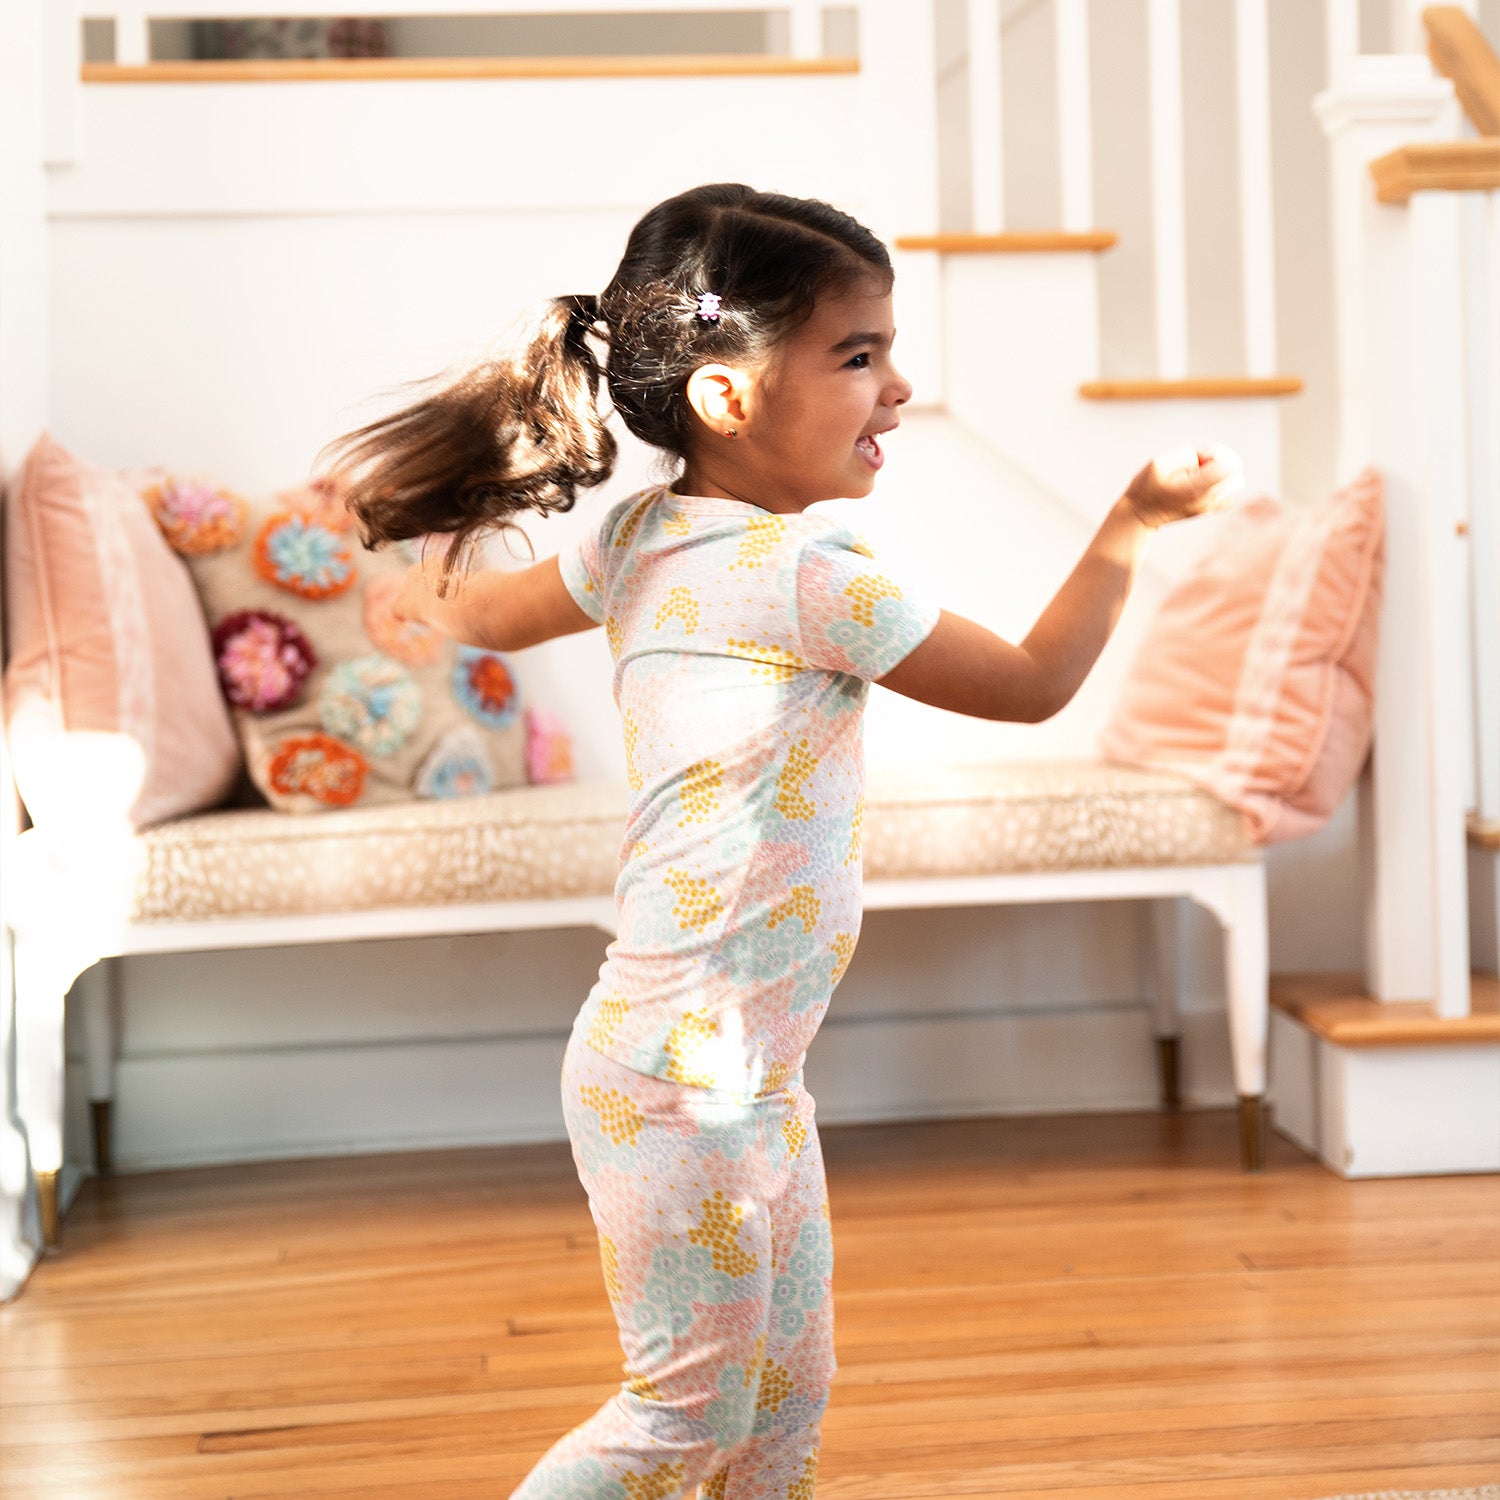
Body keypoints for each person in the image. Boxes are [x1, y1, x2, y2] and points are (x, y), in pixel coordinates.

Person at [325, 182, 1243, 1500]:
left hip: (739, 1078)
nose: (898, 387)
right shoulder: (812, 578)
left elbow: (484, 613)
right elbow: (1038, 683)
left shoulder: (638, 538)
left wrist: (434, 548)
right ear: (729, 398)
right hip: (678, 1083)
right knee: (686, 1415)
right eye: (858, 356)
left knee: (782, 1403)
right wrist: (1131, 522)